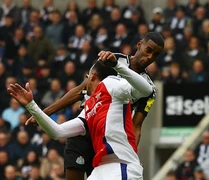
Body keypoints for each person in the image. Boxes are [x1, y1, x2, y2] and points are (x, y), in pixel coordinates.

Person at [25, 32, 164, 179]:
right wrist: (44, 112)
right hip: (84, 124)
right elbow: (81, 89)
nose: (150, 57)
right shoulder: (112, 59)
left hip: (108, 138)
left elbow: (136, 126)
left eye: (155, 55)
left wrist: (133, 155)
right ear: (139, 45)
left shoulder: (148, 88)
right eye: (149, 50)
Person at [8, 57, 153, 179]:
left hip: (121, 165)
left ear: (92, 77)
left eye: (87, 77)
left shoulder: (111, 84)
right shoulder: (89, 107)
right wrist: (31, 105)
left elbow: (146, 90)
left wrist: (117, 66)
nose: (85, 82)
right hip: (100, 169)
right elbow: (57, 132)